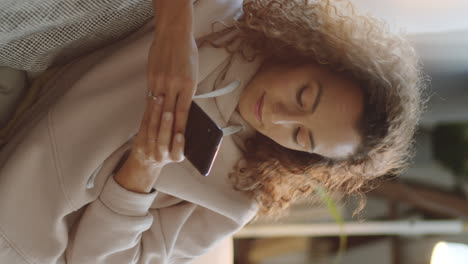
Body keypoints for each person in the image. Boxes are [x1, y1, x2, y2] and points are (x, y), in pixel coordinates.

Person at [0, 0, 425, 263]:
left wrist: (137, 178)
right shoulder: (220, 18)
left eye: (299, 136)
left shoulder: (233, 199)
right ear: (314, 55)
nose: (276, 118)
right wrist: (174, 31)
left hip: (18, 233)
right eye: (302, 97)